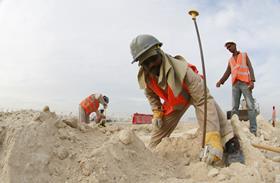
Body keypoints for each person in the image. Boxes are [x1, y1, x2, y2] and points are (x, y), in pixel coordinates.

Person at [130, 34, 244, 165]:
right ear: (141, 64)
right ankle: (150, 154)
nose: (151, 65)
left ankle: (231, 144)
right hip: (175, 102)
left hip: (195, 94)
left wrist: (212, 136)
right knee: (155, 140)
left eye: (153, 59)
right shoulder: (146, 77)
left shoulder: (183, 71)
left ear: (159, 52)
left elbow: (203, 100)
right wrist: (157, 111)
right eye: (145, 63)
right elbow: (151, 95)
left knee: (212, 109)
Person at [216, 40, 257, 136]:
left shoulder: (244, 55)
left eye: (230, 46)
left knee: (250, 106)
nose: (229, 49)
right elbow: (227, 72)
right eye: (227, 48)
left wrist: (252, 81)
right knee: (234, 108)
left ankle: (253, 130)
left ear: (234, 45)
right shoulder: (230, 61)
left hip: (245, 83)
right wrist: (220, 81)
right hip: (235, 85)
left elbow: (250, 68)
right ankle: (236, 131)